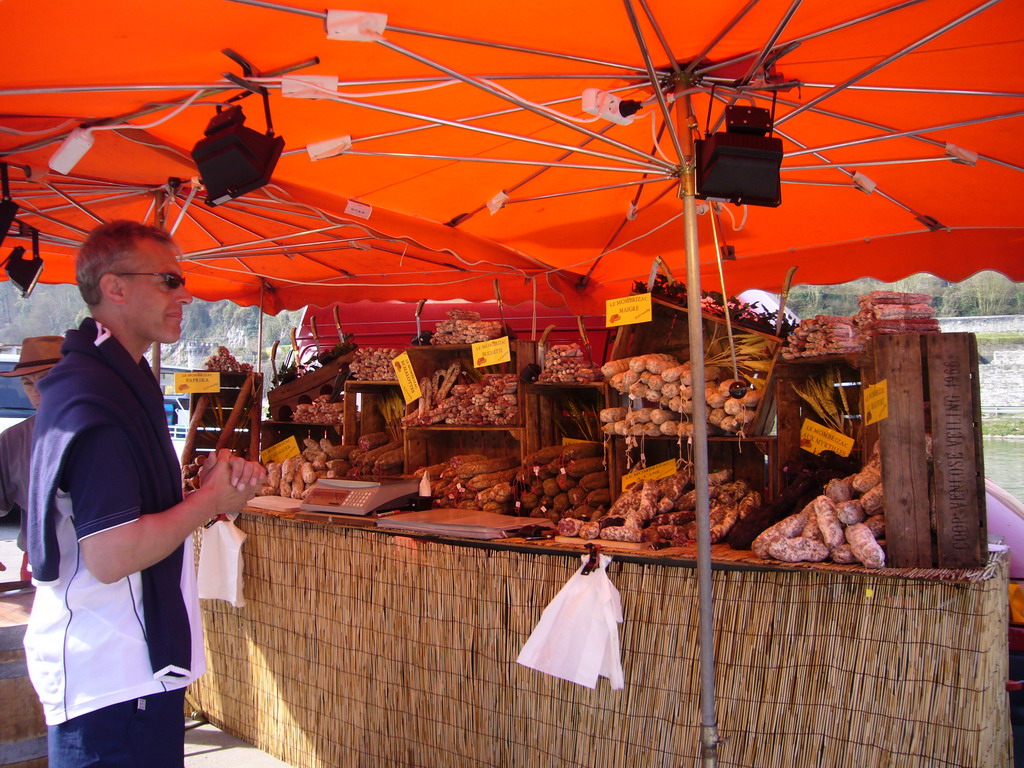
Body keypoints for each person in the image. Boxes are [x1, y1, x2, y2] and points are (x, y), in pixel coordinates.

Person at [23, 220, 266, 768]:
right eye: (168, 280)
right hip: (112, 676)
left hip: (127, 671)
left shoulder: (116, 382)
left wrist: (201, 492)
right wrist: (211, 503)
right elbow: (113, 555)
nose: (184, 294)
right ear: (115, 288)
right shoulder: (97, 399)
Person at [0, 335, 64, 580]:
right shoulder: (13, 440)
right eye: (27, 383)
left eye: (45, 379)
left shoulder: (105, 431)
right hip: (40, 562)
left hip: (103, 564)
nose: (36, 391)